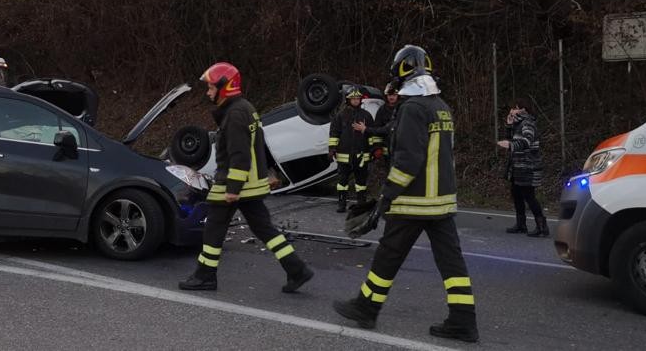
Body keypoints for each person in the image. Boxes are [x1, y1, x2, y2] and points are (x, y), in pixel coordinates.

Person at [334, 45, 478, 343]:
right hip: (442, 201)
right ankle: (463, 320)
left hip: (413, 200)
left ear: (402, 72)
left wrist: (385, 198)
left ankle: (366, 306)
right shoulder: (440, 105)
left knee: (388, 254)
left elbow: (409, 160)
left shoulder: (412, 108)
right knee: (451, 261)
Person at [179, 62, 314, 293]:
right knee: (264, 229)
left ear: (225, 87)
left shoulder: (235, 114)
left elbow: (240, 154)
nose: (208, 92)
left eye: (211, 87)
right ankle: (297, 269)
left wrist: (233, 188)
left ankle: (205, 276)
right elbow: (260, 145)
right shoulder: (245, 108)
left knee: (213, 227)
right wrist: (271, 173)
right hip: (250, 184)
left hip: (235, 184)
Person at [497, 98, 548, 237]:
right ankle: (521, 224)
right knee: (516, 194)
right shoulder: (517, 124)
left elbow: (526, 142)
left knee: (529, 196)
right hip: (517, 167)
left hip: (528, 167)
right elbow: (511, 141)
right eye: (512, 108)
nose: (512, 111)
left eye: (515, 108)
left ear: (523, 110)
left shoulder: (528, 123)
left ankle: (542, 226)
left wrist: (510, 145)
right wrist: (508, 126)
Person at [329, 84, 376, 213]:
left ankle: (361, 204)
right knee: (342, 182)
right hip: (344, 156)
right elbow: (334, 133)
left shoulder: (366, 115)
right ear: (348, 100)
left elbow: (371, 135)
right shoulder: (340, 115)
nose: (356, 101)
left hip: (362, 155)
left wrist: (373, 149)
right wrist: (332, 148)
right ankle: (341, 204)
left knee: (361, 182)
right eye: (353, 99)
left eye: (358, 99)